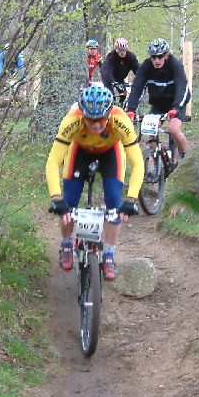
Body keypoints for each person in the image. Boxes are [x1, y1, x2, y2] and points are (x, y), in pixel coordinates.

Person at [46, 84, 143, 281]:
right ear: (82, 114)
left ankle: (109, 254)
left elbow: (137, 162)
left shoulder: (121, 120)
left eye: (101, 120)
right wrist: (56, 198)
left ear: (109, 114)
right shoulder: (72, 120)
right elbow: (53, 161)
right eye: (90, 120)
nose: (96, 126)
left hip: (110, 153)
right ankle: (66, 243)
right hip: (79, 151)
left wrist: (132, 198)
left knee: (115, 203)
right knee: (69, 201)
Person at [125, 38, 191, 158]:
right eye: (153, 57)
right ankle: (158, 161)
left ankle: (186, 157)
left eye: (160, 57)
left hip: (176, 103)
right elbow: (137, 88)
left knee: (174, 129)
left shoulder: (175, 65)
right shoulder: (146, 66)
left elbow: (182, 87)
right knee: (151, 130)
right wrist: (131, 110)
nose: (156, 60)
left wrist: (176, 107)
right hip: (158, 104)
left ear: (166, 56)